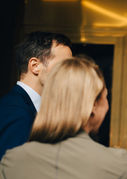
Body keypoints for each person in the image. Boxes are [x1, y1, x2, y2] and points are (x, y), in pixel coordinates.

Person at [0, 31, 73, 159]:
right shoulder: (17, 113)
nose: (70, 73)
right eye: (64, 65)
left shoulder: (28, 107)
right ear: (35, 66)